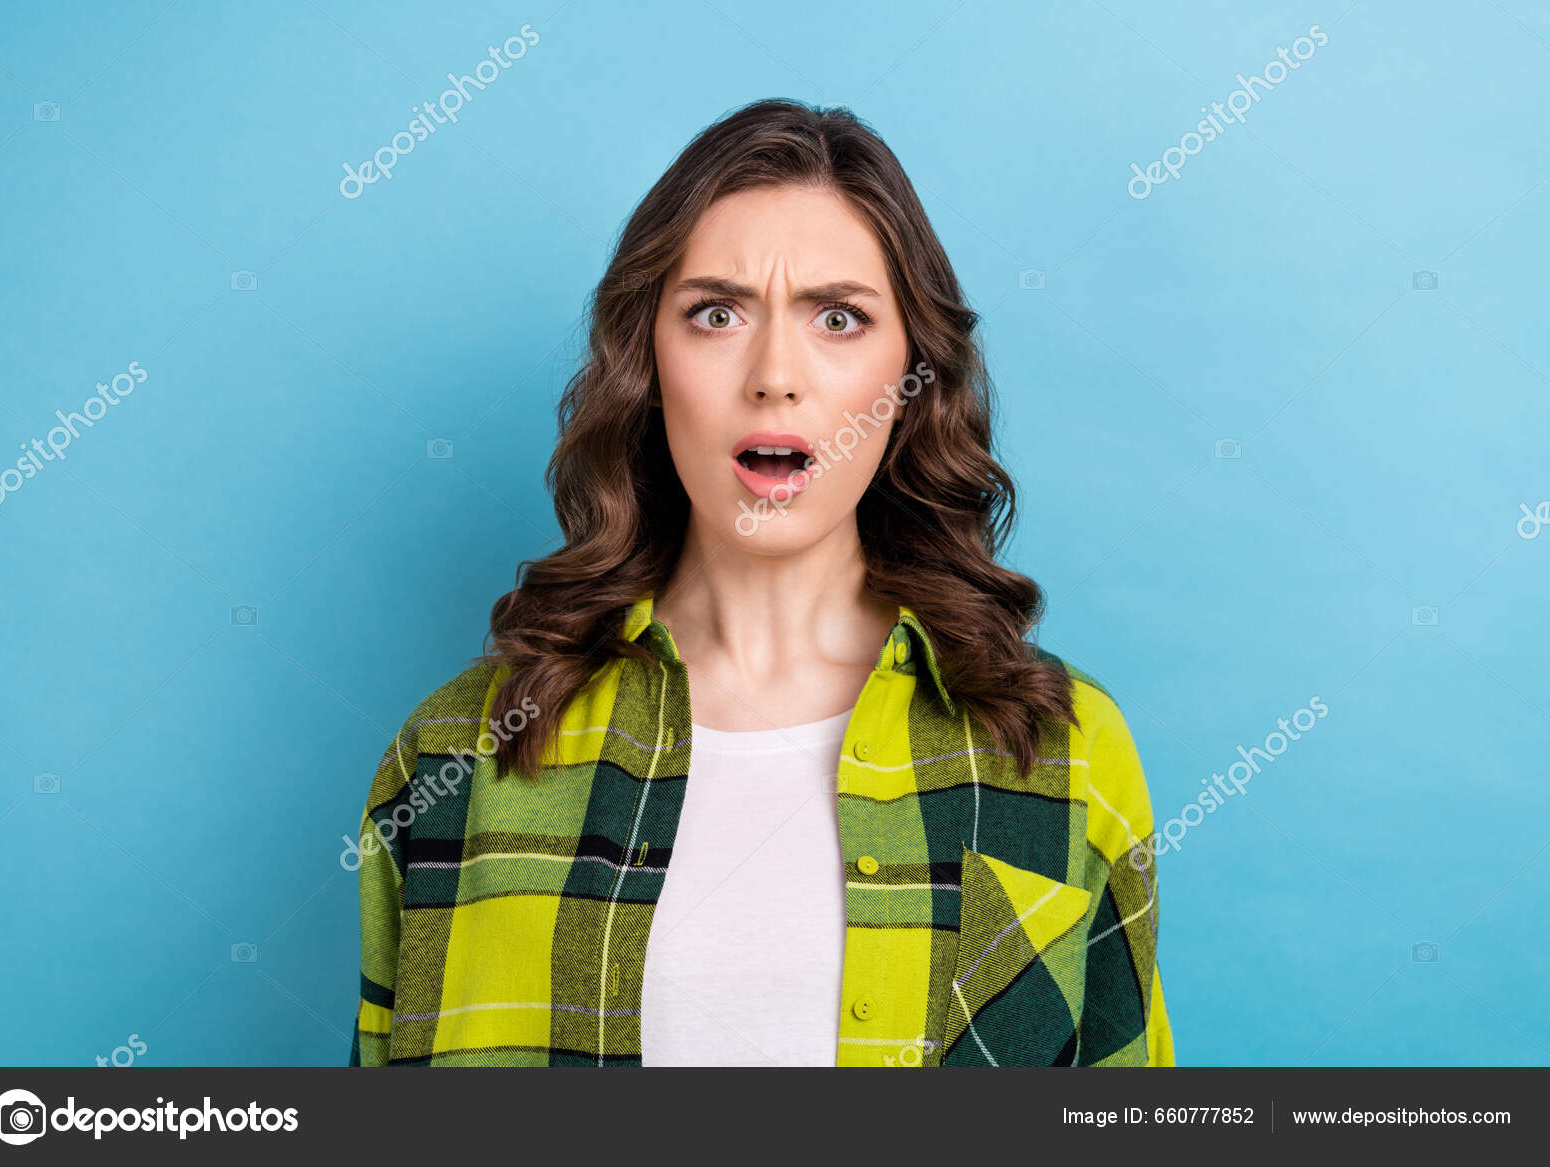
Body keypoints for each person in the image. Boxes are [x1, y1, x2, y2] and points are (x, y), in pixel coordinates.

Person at [350, 98, 1173, 1068]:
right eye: (715, 313)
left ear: (912, 374)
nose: (775, 373)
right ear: (646, 363)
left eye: (838, 318)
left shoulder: (1064, 754)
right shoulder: (453, 757)